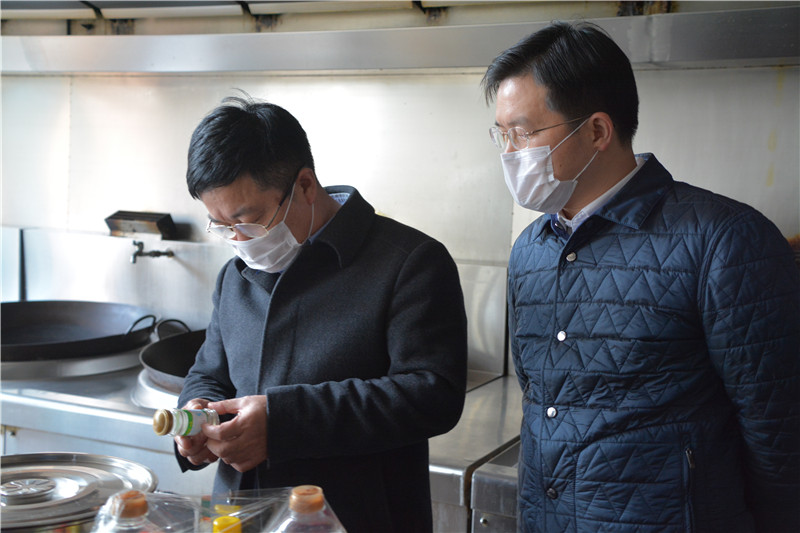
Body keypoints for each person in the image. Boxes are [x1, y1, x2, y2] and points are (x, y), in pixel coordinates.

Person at [481, 21, 800, 533]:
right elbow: (542, 398)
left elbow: (778, 427)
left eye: (523, 133)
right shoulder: (531, 250)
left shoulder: (725, 240)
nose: (510, 153)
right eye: (502, 134)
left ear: (597, 131)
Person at [174, 95, 468, 533]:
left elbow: (432, 395)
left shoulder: (410, 262)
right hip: (239, 517)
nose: (238, 240)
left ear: (305, 186)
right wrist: (194, 414)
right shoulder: (235, 275)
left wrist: (283, 423)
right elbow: (209, 373)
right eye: (221, 225)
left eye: (248, 220)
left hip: (356, 518)